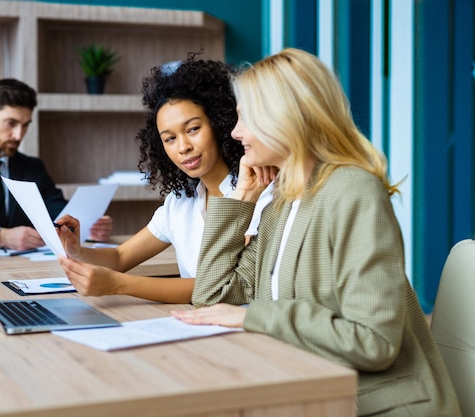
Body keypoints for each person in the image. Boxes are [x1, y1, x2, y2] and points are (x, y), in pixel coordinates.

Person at [171, 48, 461, 417]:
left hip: (375, 404)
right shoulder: (283, 201)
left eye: (246, 118)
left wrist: (252, 316)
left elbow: (373, 342)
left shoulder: (353, 191)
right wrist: (241, 199)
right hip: (307, 390)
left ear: (283, 118)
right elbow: (212, 297)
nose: (235, 132)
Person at [55, 56, 274, 303]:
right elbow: (119, 258)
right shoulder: (180, 201)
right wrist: (77, 250)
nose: (183, 147)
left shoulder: (258, 191)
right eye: (169, 139)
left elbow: (220, 286)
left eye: (193, 129)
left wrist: (120, 284)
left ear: (219, 124)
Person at [0, 78, 112, 251]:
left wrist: (84, 228)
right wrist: (0, 237)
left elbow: (58, 214)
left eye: (25, 125)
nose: (18, 135)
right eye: (11, 123)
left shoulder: (33, 168)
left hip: (25, 269)